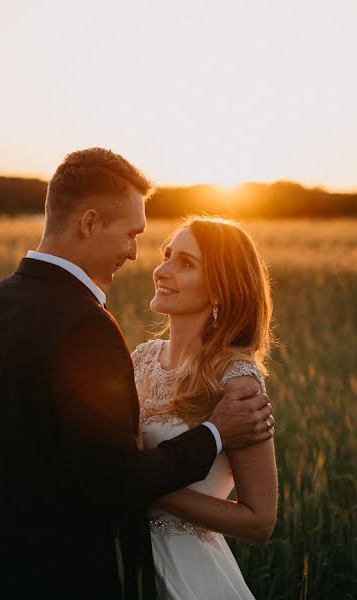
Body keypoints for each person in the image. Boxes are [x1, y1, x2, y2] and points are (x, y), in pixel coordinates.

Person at [0, 148, 275, 599]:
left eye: (183, 261)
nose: (137, 256)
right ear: (88, 223)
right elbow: (112, 479)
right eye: (132, 234)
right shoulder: (90, 327)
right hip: (75, 575)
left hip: (4, 570)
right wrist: (215, 433)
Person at [131, 216, 278, 598]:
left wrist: (144, 486)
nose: (162, 271)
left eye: (186, 263)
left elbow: (259, 521)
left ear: (220, 290)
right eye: (167, 255)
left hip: (188, 573)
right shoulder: (140, 359)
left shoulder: (236, 380)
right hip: (125, 562)